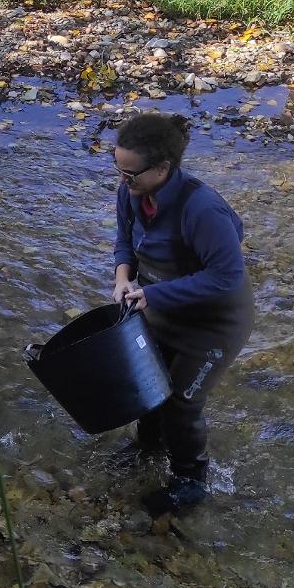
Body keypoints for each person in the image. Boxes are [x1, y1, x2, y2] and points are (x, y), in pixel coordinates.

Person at [111, 112, 254, 515]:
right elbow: (123, 241)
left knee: (181, 402)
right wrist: (123, 278)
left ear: (163, 168)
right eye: (118, 168)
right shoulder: (130, 192)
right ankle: (148, 446)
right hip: (159, 305)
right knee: (147, 382)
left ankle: (191, 480)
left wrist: (154, 294)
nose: (124, 180)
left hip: (215, 324)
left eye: (131, 174)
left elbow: (227, 276)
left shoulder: (202, 209)